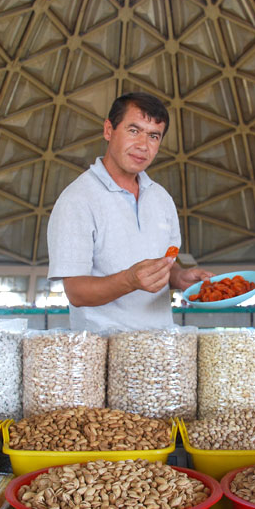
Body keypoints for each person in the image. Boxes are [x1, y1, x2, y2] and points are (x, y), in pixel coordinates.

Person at [47, 92, 213, 331]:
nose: (142, 146)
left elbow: (166, 263)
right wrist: (129, 280)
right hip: (102, 350)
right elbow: (76, 292)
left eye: (153, 136)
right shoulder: (77, 199)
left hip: (160, 346)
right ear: (108, 130)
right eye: (133, 131)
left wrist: (179, 277)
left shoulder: (161, 198)